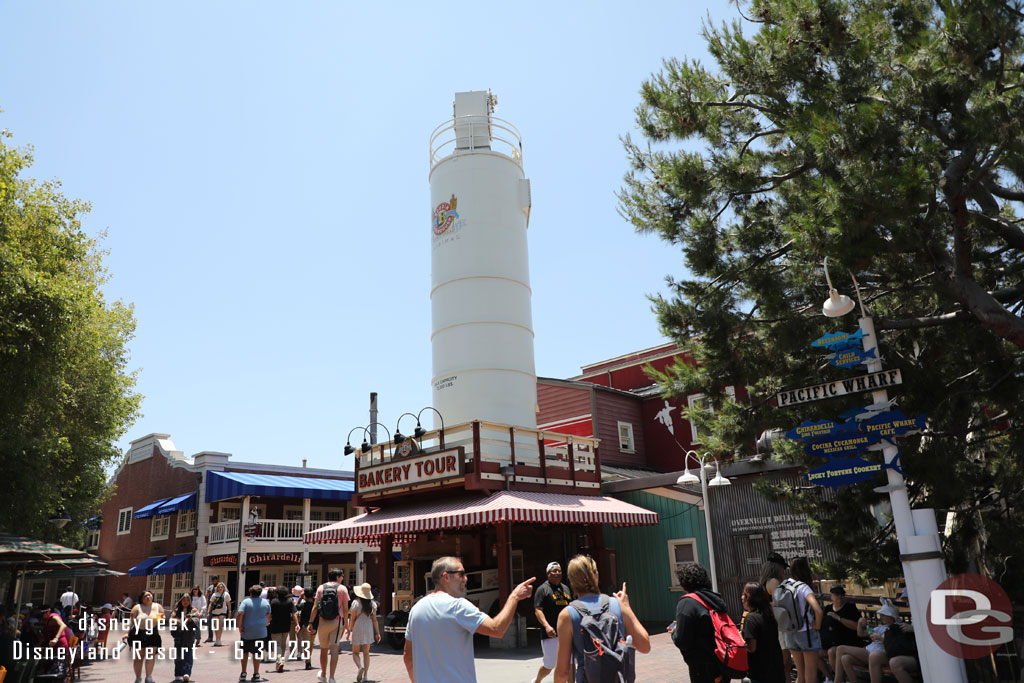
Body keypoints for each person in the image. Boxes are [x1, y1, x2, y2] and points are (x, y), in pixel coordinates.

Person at [404, 556, 536, 683]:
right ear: (446, 577)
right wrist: (514, 597)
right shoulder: (457, 606)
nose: (465, 579)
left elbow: (408, 656)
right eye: (461, 574)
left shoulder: (416, 609)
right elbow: (497, 629)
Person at [554, 554, 650, 683]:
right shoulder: (617, 605)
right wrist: (626, 607)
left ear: (571, 581)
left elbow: (562, 672)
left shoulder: (567, 615)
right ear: (596, 575)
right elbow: (645, 646)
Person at [672, 562, 730, 683]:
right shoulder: (714, 599)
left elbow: (682, 641)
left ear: (684, 583)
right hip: (722, 663)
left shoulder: (687, 603)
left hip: (702, 668)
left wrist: (674, 631)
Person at [783, 557, 824, 683]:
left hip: (789, 632)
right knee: (811, 674)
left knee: (800, 675)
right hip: (806, 632)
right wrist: (817, 625)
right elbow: (818, 610)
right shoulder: (803, 587)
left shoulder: (783, 585)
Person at [835, 603, 899, 683]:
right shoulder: (881, 628)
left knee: (840, 648)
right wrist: (860, 624)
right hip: (868, 652)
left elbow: (894, 644)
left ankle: (837, 681)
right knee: (845, 658)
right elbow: (861, 634)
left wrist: (880, 638)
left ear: (891, 617)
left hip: (878, 654)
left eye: (884, 615)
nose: (881, 617)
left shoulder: (896, 628)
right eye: (881, 615)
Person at [307, 568, 351, 683]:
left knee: (323, 649)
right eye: (341, 576)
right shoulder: (342, 589)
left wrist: (310, 622)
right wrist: (346, 624)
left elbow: (315, 606)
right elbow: (346, 610)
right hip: (336, 622)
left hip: (322, 621)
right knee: (334, 649)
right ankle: (332, 677)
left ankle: (324, 675)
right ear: (337, 577)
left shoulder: (321, 588)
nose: (342, 578)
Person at [533, 561, 573, 683]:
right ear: (548, 573)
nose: (557, 573)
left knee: (570, 663)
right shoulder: (543, 589)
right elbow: (538, 610)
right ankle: (537, 681)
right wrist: (547, 626)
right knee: (549, 665)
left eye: (559, 571)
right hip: (551, 634)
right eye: (554, 571)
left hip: (567, 633)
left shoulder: (565, 588)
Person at [741, 582, 784, 683]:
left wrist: (739, 641)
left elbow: (752, 648)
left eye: (745, 595)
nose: (742, 597)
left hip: (759, 674)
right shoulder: (770, 615)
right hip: (776, 671)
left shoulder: (751, 618)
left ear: (750, 598)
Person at [759, 553, 792, 682]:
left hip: (771, 624)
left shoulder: (764, 581)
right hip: (779, 626)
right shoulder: (774, 582)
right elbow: (782, 604)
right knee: (786, 663)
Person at [821, 585, 863, 682]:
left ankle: (839, 679)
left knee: (831, 652)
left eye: (841, 595)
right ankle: (830, 678)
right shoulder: (827, 608)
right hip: (831, 640)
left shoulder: (850, 608)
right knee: (815, 653)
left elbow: (857, 626)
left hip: (848, 641)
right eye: (835, 595)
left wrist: (838, 618)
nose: (839, 597)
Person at [121, 590, 164, 683]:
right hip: (138, 633)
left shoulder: (158, 607)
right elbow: (131, 621)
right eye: (145, 596)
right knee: (138, 657)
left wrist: (161, 618)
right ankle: (138, 677)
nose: (148, 597)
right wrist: (126, 632)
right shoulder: (137, 607)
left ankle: (149, 677)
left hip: (152, 633)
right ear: (141, 598)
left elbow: (161, 619)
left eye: (149, 595)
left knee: (150, 656)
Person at [237, 584, 271, 682]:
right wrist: (266, 622)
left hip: (247, 631)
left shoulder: (246, 602)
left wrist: (240, 626)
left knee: (245, 652)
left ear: (250, 592)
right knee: (257, 653)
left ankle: (243, 673)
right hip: (260, 631)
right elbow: (269, 614)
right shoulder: (265, 602)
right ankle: (256, 674)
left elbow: (240, 613)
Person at [347, 582, 380, 682]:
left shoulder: (356, 603)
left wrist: (349, 629)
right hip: (368, 625)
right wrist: (377, 633)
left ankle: (360, 667)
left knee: (355, 652)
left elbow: (352, 618)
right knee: (366, 653)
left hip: (358, 626)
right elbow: (375, 619)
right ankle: (365, 675)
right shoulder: (373, 604)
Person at [169, 592, 199, 683]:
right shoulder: (177, 610)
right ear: (181, 601)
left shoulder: (193, 610)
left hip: (189, 635)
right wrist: (179, 621)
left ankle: (186, 673)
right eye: (184, 600)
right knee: (179, 654)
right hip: (178, 634)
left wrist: (191, 619)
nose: (185, 602)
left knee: (188, 654)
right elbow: (171, 619)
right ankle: (178, 673)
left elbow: (197, 620)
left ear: (190, 601)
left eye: (187, 600)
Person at [268, 586, 298, 672]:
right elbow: (294, 613)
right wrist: (297, 624)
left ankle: (280, 661)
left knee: (276, 644)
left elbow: (269, 614)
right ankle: (281, 660)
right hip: (286, 626)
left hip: (275, 626)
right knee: (283, 644)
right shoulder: (289, 601)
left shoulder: (273, 602)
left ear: (277, 593)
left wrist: (267, 621)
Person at [207, 581, 231, 646]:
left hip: (222, 612)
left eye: (221, 587)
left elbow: (228, 603)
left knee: (220, 626)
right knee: (216, 626)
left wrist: (229, 612)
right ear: (217, 588)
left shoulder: (226, 594)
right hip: (215, 612)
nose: (220, 588)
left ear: (223, 588)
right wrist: (208, 612)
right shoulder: (214, 595)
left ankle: (218, 640)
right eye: (219, 587)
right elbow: (210, 604)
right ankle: (217, 639)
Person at [297, 587, 315, 671]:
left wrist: (300, 598)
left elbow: (295, 607)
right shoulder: (316, 604)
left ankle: (308, 662)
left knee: (306, 645)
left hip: (305, 626)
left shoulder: (303, 604)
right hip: (314, 626)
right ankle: (309, 660)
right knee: (311, 644)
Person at [202, 575, 220, 643]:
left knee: (217, 624)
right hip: (210, 607)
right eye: (212, 580)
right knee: (209, 623)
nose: (213, 581)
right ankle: (210, 637)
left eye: (215, 580)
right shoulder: (210, 587)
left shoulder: (221, 587)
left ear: (217, 580)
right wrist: (208, 594)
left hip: (218, 608)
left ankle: (218, 637)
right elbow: (206, 598)